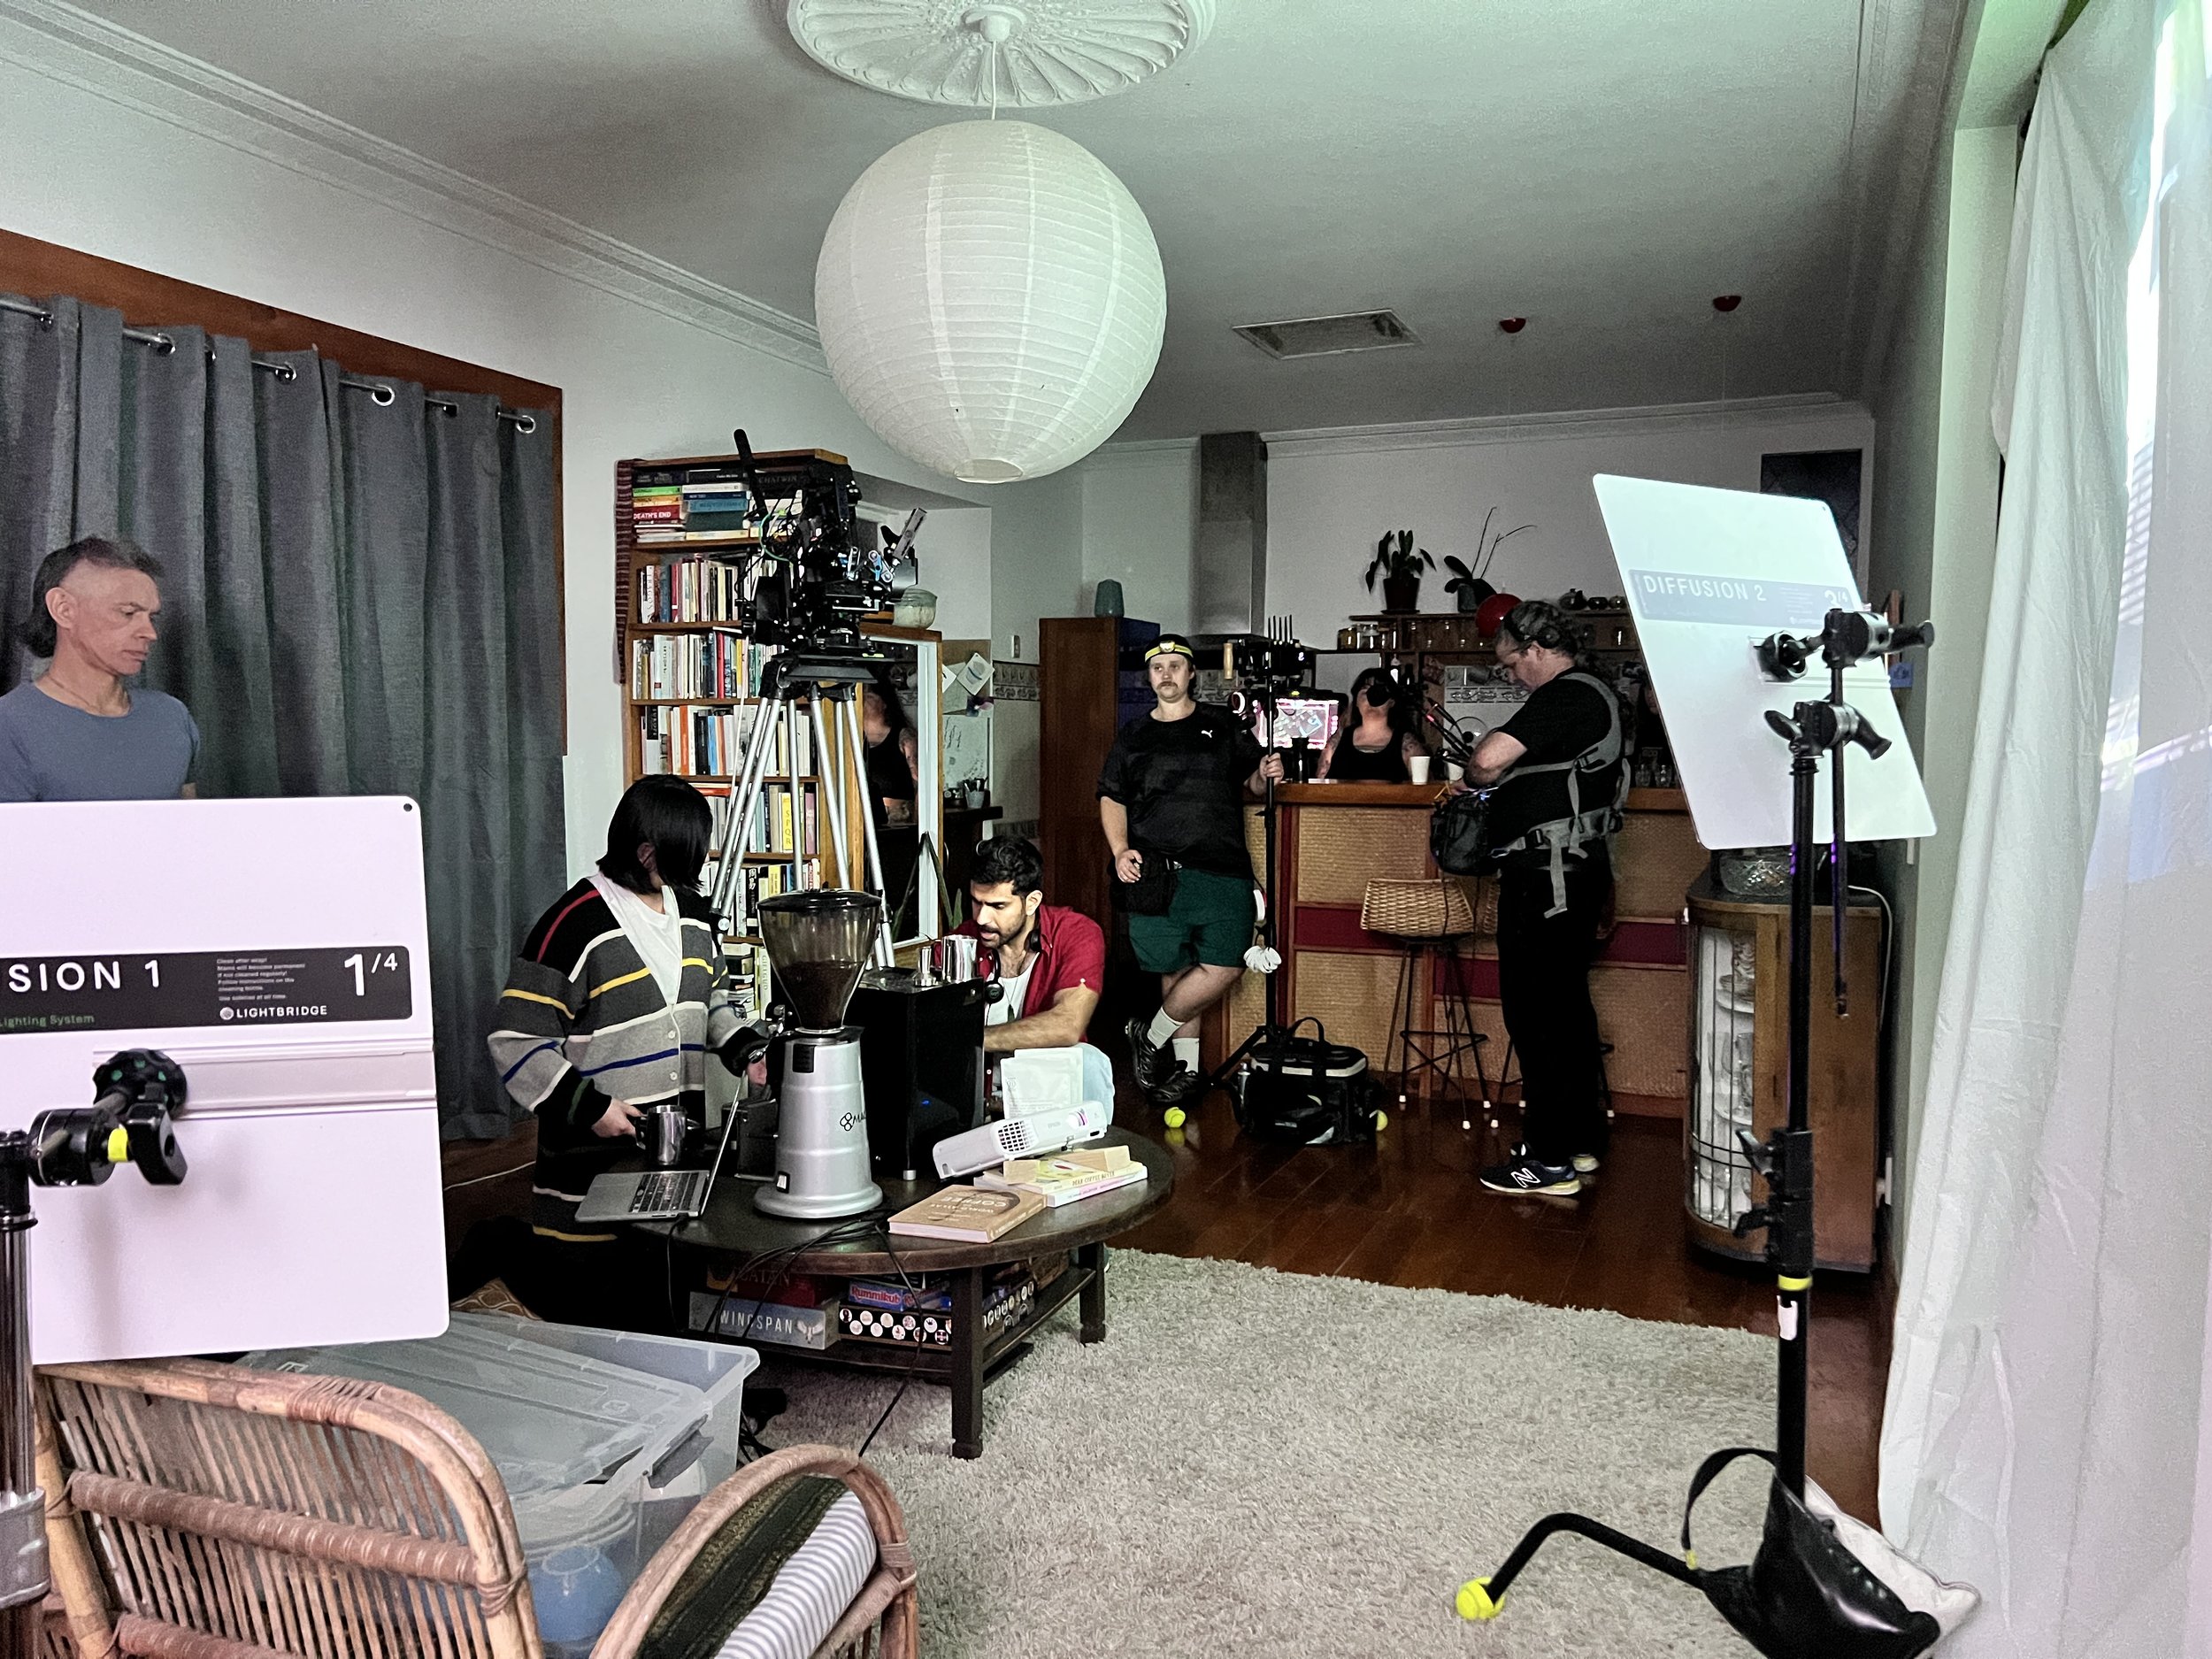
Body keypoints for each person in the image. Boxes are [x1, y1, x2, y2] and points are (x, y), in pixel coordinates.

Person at [487, 775, 757, 1324]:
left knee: (669, 1302)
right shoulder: (572, 924)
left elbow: (715, 1001)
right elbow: (515, 1040)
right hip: (589, 1173)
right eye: (686, 856)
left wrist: (746, 1048)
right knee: (603, 1321)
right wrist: (592, 1109)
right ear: (647, 852)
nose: (696, 870)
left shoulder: (696, 918)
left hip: (675, 1161)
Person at [1462, 601, 1626, 1198]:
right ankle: (1579, 1142)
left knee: (1535, 1012)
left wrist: (1480, 777)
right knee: (1566, 1009)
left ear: (1534, 648)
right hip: (1569, 872)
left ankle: (1548, 1157)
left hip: (1550, 876)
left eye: (1510, 664)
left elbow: (1485, 760)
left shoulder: (1567, 693)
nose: (1511, 676)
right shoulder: (1593, 694)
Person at [1098, 634, 1284, 1104]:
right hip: (1158, 873)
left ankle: (1150, 1036)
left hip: (1222, 868)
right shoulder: (1133, 736)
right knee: (1175, 971)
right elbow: (1111, 797)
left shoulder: (1221, 725)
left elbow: (1254, 782)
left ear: (1190, 673)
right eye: (1157, 667)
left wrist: (1265, 774)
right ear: (1149, 676)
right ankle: (1184, 1076)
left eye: (1175, 666)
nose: (1167, 674)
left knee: (1225, 963)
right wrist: (1120, 849)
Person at [0, 536, 200, 802]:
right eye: (128, 613)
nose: (150, 633)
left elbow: (189, 834)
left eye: (151, 617)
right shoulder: (10, 725)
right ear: (64, 609)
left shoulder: (172, 717)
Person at [954, 835, 1114, 1109]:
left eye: (998, 906)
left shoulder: (1077, 934)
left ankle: (1088, 1149)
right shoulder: (960, 942)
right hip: (974, 1098)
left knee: (1090, 1060)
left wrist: (973, 1038)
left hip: (1047, 1093)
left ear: (1032, 902)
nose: (981, 918)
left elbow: (1067, 1025)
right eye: (976, 902)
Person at [1320, 666, 1428, 783]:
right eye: (1365, 691)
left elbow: (1424, 791)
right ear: (1356, 700)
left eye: (1378, 692)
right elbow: (1318, 785)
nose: (1371, 698)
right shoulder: (1338, 740)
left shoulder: (1407, 743)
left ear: (1392, 701)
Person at [861, 671, 919, 828]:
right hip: (858, 824)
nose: (862, 701)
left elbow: (920, 787)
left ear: (884, 701)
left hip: (897, 825)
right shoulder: (851, 739)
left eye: (868, 696)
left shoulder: (904, 737)